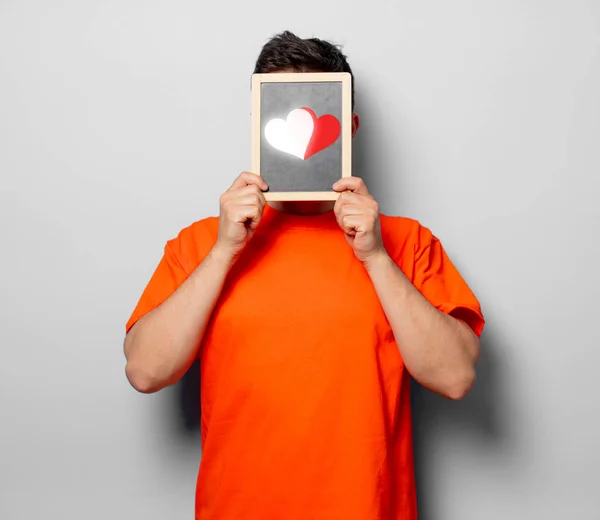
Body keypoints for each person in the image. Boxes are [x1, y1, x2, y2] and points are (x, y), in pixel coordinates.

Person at [123, 30, 485, 520]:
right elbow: (145, 371)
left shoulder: (407, 242)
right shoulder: (201, 243)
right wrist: (225, 251)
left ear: (349, 127)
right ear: (258, 126)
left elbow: (456, 376)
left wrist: (376, 257)